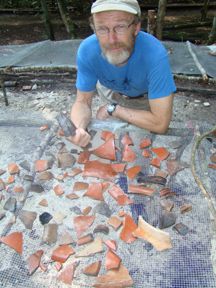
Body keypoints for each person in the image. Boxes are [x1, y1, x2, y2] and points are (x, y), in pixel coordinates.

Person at [68, 0, 176, 147]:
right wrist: (78, 129)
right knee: (109, 142)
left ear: (136, 27)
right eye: (102, 28)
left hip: (143, 99)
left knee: (136, 145)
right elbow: (82, 102)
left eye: (120, 26)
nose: (111, 40)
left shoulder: (155, 56)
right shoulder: (87, 51)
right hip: (110, 90)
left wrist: (113, 109)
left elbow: (160, 123)